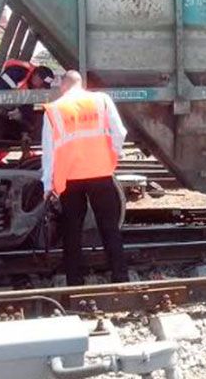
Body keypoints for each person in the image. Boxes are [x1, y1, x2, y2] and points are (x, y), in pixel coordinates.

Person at [41, 70, 128, 285]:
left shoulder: (54, 110)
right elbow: (120, 132)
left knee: (71, 229)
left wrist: (47, 183)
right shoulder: (101, 101)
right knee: (109, 226)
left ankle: (74, 280)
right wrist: (113, 155)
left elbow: (48, 151)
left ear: (63, 85)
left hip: (70, 177)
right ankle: (120, 276)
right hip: (100, 172)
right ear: (81, 84)